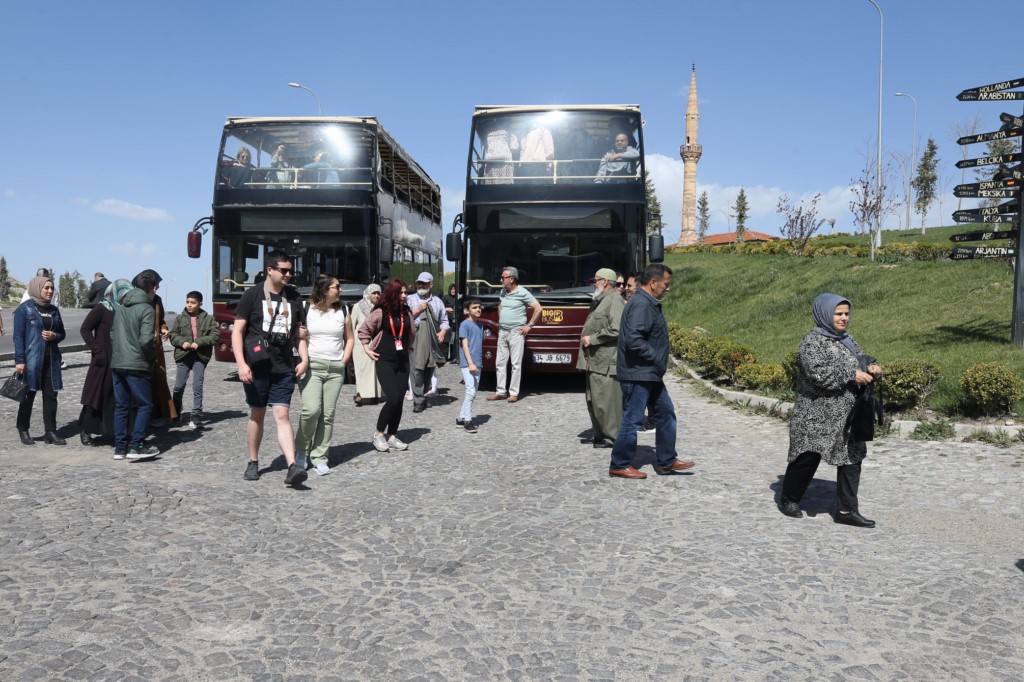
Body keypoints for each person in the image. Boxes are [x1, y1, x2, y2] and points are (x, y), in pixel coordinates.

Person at [779, 294, 883, 528]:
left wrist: (872, 367)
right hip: (816, 415)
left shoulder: (847, 340)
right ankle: (790, 498)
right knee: (807, 457)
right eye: (838, 314)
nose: (844, 318)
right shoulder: (811, 342)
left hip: (847, 416)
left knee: (852, 458)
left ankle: (846, 509)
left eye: (846, 313)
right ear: (825, 314)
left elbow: (859, 360)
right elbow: (817, 374)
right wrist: (851, 374)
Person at [608, 263, 696, 479]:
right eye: (666, 284)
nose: (668, 288)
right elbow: (634, 340)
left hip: (649, 373)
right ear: (653, 282)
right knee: (633, 419)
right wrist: (656, 358)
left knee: (666, 413)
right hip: (639, 373)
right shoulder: (642, 305)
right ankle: (619, 463)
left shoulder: (646, 302)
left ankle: (666, 460)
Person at [232, 251, 309, 486]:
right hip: (257, 367)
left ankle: (292, 466)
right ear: (270, 270)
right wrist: (241, 364)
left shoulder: (294, 297)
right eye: (283, 270)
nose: (288, 274)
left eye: (290, 270)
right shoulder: (252, 295)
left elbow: (299, 334)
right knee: (257, 414)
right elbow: (237, 332)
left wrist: (304, 359)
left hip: (284, 366)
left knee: (282, 414)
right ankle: (253, 461)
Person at [294, 275, 354, 476]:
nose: (340, 290)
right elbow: (297, 333)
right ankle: (301, 450)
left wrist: (343, 361)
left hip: (335, 369)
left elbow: (350, 338)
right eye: (337, 287)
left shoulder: (344, 310)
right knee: (311, 411)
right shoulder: (305, 308)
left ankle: (320, 456)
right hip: (312, 367)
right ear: (324, 289)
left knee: (327, 415)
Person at [356, 278, 415, 453]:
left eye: (405, 293)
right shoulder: (381, 312)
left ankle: (392, 436)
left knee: (400, 402)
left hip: (403, 360)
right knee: (393, 398)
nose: (404, 296)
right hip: (385, 360)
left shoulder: (406, 311)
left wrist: (409, 347)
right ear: (392, 293)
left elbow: (411, 331)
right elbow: (363, 330)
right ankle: (378, 434)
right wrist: (367, 349)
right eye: (401, 293)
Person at [110, 273, 160, 460]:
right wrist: (151, 360)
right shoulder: (147, 308)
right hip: (137, 364)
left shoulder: (121, 307)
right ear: (152, 288)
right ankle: (136, 445)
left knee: (121, 406)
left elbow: (113, 334)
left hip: (118, 362)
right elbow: (147, 339)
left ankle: (120, 448)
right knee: (145, 405)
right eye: (156, 287)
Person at [13, 275, 66, 446]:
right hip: (32, 360)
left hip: (52, 360)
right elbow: (18, 336)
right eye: (46, 288)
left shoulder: (54, 310)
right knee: (28, 394)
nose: (50, 291)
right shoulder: (24, 309)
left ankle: (50, 431)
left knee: (51, 396)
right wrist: (20, 360)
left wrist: (55, 335)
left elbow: (62, 333)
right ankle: (23, 427)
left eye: (52, 288)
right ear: (37, 289)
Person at [577, 268, 625, 449]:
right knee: (594, 400)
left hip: (606, 361)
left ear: (605, 282)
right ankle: (600, 434)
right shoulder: (600, 300)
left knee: (607, 401)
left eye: (595, 280)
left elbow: (618, 328)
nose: (593, 284)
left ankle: (612, 437)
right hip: (595, 361)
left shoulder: (614, 300)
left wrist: (593, 338)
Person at [79, 280, 125, 446]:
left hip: (119, 359)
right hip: (102, 360)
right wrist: (97, 350)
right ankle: (86, 429)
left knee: (114, 396)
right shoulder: (102, 308)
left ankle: (109, 430)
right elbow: (85, 329)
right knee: (96, 395)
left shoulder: (123, 310)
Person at [487, 266, 542, 403]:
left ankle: (513, 393)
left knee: (515, 364)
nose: (501, 280)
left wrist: (529, 325)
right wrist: (501, 321)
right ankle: (500, 391)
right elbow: (500, 306)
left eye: (503, 277)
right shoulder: (502, 292)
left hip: (516, 332)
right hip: (503, 331)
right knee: (500, 362)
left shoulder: (523, 292)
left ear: (511, 279)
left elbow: (538, 308)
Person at [169, 290, 218, 430]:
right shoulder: (180, 318)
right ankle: (176, 410)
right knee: (178, 386)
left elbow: (215, 336)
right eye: (188, 302)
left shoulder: (208, 319)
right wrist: (182, 342)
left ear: (200, 304)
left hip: (200, 356)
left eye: (193, 303)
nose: (189, 305)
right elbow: (173, 335)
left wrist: (200, 342)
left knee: (197, 385)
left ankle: (196, 415)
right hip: (183, 356)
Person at [133, 270, 177, 425]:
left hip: (155, 348)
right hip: (139, 348)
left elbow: (160, 319)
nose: (157, 287)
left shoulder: (157, 300)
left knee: (158, 379)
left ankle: (159, 415)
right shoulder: (135, 301)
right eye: (155, 284)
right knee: (142, 382)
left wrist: (163, 328)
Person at [405, 272, 449, 413]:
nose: (420, 285)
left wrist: (442, 332)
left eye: (424, 283)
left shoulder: (437, 301)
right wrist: (417, 310)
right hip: (415, 335)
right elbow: (403, 317)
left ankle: (422, 395)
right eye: (419, 282)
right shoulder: (409, 299)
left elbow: (444, 320)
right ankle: (418, 400)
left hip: (431, 337)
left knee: (429, 368)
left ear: (431, 285)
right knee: (416, 368)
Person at [350, 284, 383, 406]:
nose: (376, 295)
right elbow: (351, 325)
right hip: (360, 344)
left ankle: (376, 395)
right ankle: (361, 394)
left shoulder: (382, 308)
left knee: (375, 371)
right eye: (374, 293)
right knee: (362, 370)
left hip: (376, 343)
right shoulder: (358, 306)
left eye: (378, 293)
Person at [457, 297, 484, 433]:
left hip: (478, 364)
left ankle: (461, 418)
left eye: (479, 307)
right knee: (470, 391)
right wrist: (471, 363)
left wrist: (478, 363)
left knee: (472, 393)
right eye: (474, 307)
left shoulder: (480, 326)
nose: (478, 309)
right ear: (467, 311)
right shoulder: (464, 325)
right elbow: (465, 345)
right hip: (468, 364)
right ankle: (468, 421)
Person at [442, 283, 460, 363]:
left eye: (455, 289)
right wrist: (447, 309)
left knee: (453, 340)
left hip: (455, 322)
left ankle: (453, 357)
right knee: (446, 340)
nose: (453, 290)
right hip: (447, 322)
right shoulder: (445, 297)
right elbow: (440, 307)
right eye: (452, 289)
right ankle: (444, 357)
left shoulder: (458, 298)